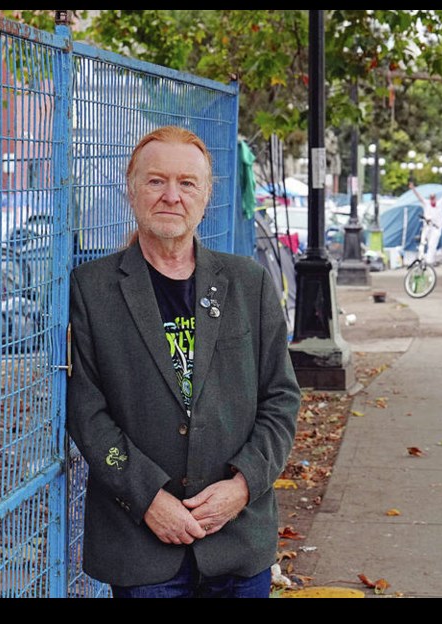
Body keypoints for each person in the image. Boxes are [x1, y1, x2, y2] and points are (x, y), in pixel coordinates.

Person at [66, 125, 301, 598]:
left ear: (206, 195)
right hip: (143, 545)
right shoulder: (90, 289)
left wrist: (242, 485)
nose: (171, 195)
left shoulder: (248, 284)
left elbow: (281, 398)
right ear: (130, 190)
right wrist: (147, 498)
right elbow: (86, 414)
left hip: (237, 539)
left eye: (187, 183)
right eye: (155, 181)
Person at [410, 181, 442, 265]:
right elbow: (419, 197)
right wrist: (413, 189)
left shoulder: (440, 203)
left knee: (433, 243)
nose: (432, 200)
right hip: (428, 226)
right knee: (425, 243)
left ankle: (429, 260)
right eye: (431, 198)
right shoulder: (427, 203)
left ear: (435, 198)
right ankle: (424, 258)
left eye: (433, 198)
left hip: (436, 227)